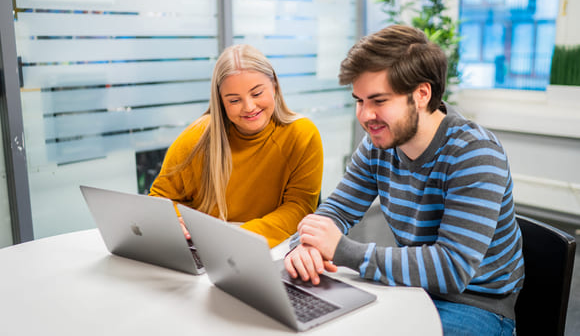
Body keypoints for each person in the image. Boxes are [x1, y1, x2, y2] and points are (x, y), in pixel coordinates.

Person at [284, 25, 524, 335]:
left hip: (476, 304)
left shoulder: (474, 153)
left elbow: (452, 268)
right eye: (359, 101)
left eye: (379, 101)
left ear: (421, 94)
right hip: (411, 289)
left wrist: (342, 250)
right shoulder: (378, 144)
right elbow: (337, 210)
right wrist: (304, 247)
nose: (365, 115)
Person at [150, 44, 323, 248]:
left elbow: (299, 208)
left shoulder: (302, 134)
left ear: (274, 86)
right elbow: (160, 201)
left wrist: (238, 239)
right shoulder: (197, 137)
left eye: (257, 93)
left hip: (263, 249)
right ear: (221, 102)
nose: (249, 107)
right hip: (204, 246)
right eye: (234, 100)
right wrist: (177, 222)